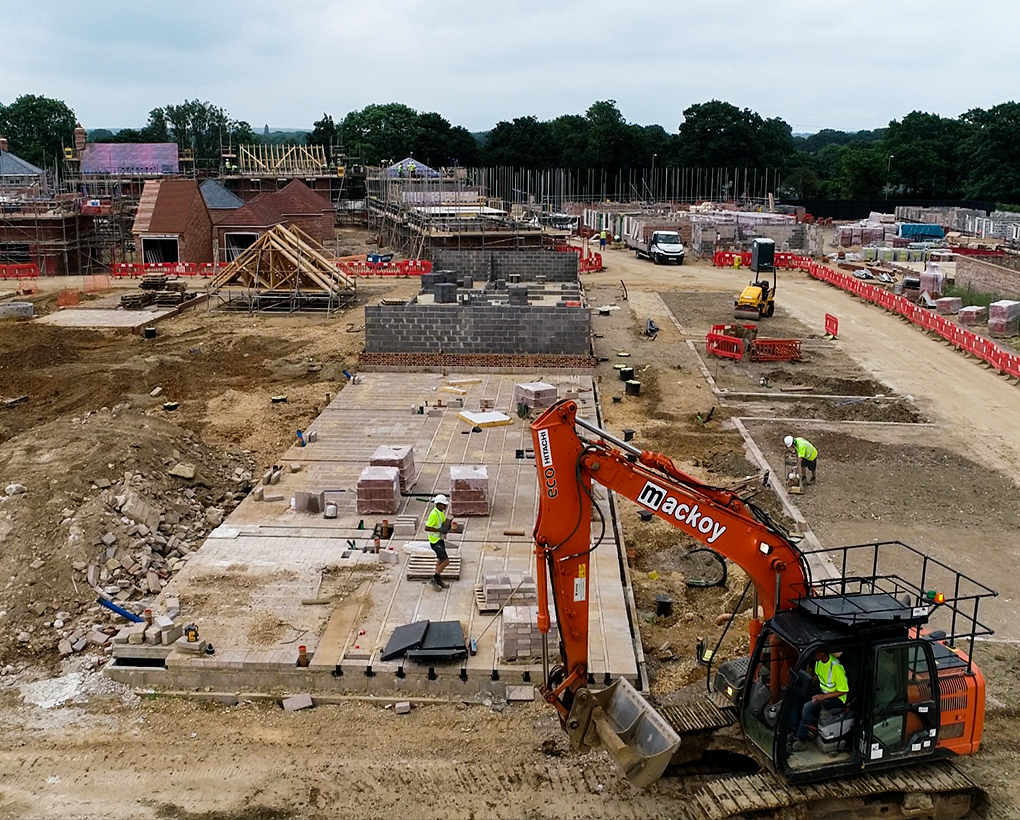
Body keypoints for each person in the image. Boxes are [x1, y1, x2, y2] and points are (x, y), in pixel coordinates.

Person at [790, 649, 849, 751]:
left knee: (808, 707)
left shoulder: (836, 667)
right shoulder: (818, 662)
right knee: (797, 696)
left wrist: (822, 697)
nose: (813, 656)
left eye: (815, 653)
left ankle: (800, 739)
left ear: (822, 653)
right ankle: (793, 729)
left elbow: (843, 690)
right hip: (823, 692)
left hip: (837, 699)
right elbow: (816, 678)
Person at [424, 494, 453, 590]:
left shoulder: (440, 513)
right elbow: (427, 527)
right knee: (446, 561)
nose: (445, 506)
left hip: (439, 540)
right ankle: (434, 578)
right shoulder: (434, 514)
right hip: (435, 541)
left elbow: (444, 522)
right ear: (439, 504)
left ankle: (438, 579)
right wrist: (439, 530)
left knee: (440, 560)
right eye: (444, 504)